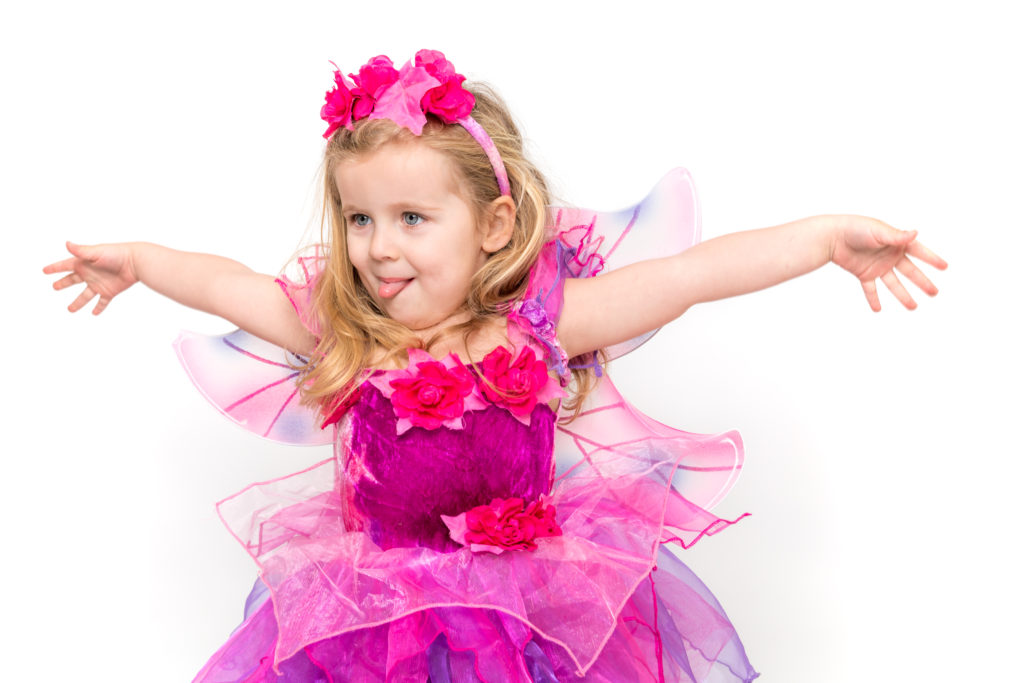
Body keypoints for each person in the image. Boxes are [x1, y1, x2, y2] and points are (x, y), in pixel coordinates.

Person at [43, 49, 945, 682]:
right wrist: (144, 261)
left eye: (411, 218)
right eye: (359, 220)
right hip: (374, 625)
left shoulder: (546, 328)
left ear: (495, 227)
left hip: (531, 622)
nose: (378, 249)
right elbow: (229, 283)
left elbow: (688, 277)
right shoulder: (347, 336)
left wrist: (825, 238)